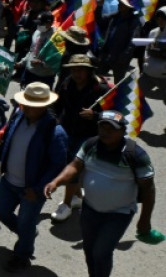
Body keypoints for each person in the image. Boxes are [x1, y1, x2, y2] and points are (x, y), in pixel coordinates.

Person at [45, 111, 162, 277]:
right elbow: (75, 166)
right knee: (89, 250)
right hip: (89, 210)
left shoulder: (135, 155)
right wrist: (56, 182)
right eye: (102, 127)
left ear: (122, 131)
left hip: (119, 214)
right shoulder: (91, 145)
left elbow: (148, 190)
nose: (105, 132)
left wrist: (144, 221)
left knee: (101, 252)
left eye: (111, 128)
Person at [0, 82, 68, 273]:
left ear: (45, 106)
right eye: (26, 103)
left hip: (31, 189)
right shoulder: (18, 116)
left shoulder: (55, 132)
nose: (28, 107)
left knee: (26, 222)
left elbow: (58, 165)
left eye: (33, 105)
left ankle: (22, 254)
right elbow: (4, 139)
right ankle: (28, 234)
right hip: (8, 180)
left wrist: (38, 189)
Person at [48, 54, 110, 222]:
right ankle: (76, 196)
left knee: (74, 166)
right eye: (74, 70)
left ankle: (66, 204)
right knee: (66, 163)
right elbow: (55, 104)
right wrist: (54, 122)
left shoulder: (102, 89)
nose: (77, 73)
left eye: (81, 70)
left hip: (88, 135)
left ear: (89, 71)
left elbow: (116, 115)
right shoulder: (67, 83)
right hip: (66, 131)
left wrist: (96, 114)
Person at [99, 0, 142, 83]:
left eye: (121, 4)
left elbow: (132, 41)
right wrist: (99, 7)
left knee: (118, 83)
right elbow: (100, 21)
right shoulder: (114, 17)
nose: (119, 5)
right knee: (98, 77)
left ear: (127, 7)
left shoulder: (133, 21)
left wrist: (124, 56)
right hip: (107, 54)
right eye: (119, 3)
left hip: (120, 58)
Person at [16, 10, 58, 88]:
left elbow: (55, 59)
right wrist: (22, 62)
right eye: (38, 23)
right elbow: (31, 51)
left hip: (44, 76)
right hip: (30, 71)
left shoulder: (56, 38)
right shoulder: (37, 32)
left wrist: (41, 63)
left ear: (49, 23)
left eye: (41, 23)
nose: (38, 25)